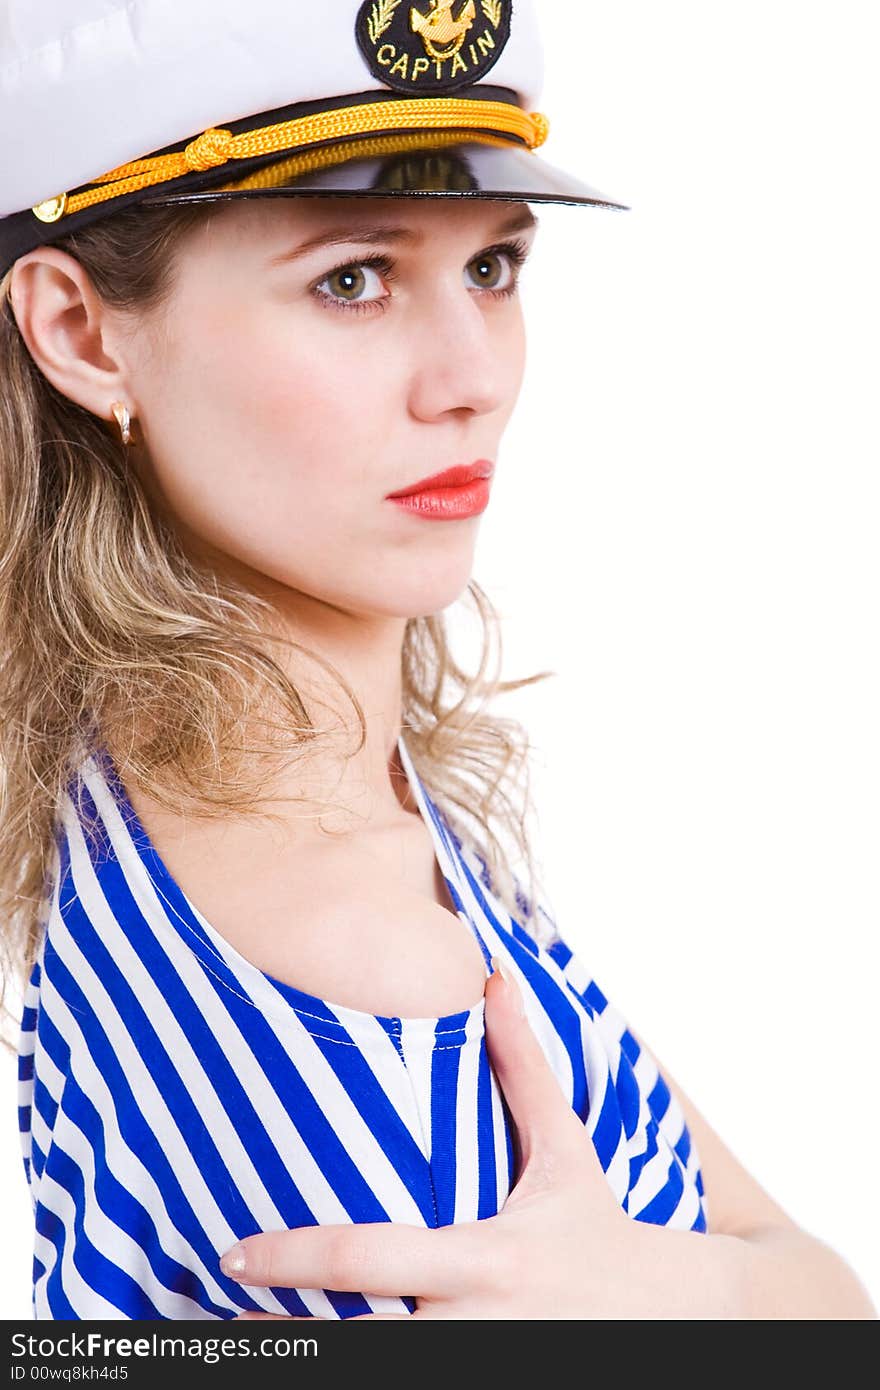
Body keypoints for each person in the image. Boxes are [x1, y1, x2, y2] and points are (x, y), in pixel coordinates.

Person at [0, 0, 873, 1321]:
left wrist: (693, 1292)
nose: (474, 378)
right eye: (353, 277)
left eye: (494, 267)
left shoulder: (283, 783)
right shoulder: (363, 974)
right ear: (79, 330)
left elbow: (812, 1279)